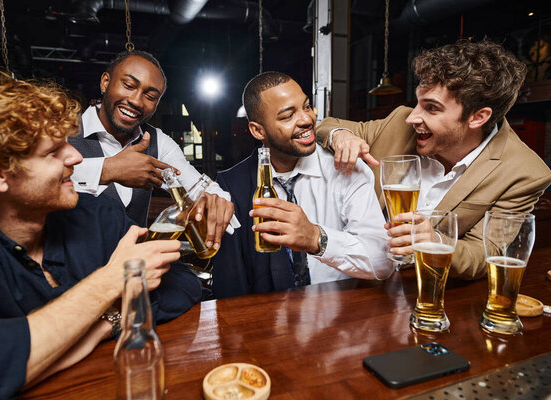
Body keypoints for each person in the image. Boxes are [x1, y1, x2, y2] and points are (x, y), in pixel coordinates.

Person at [0, 69, 202, 398]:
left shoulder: (96, 214)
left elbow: (183, 285)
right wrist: (111, 282)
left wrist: (99, 327)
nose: (76, 157)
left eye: (67, 143)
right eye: (52, 152)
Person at [316, 40, 551, 280]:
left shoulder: (525, 173)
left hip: (422, 286)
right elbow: (325, 125)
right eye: (418, 101)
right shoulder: (399, 122)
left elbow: (483, 254)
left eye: (431, 108)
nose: (412, 117)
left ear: (478, 117)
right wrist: (340, 136)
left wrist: (434, 240)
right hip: (346, 271)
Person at [212, 72, 391, 299]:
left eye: (307, 107)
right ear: (258, 130)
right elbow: (231, 282)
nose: (306, 119)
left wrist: (316, 238)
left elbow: (382, 262)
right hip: (268, 320)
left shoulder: (347, 168)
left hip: (342, 317)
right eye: (288, 116)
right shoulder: (232, 184)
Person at [69, 50, 237, 250]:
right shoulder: (62, 130)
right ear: (105, 82)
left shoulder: (158, 143)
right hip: (70, 271)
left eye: (150, 96)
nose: (136, 101)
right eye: (129, 86)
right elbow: (29, 181)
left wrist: (219, 203)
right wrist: (107, 170)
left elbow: (200, 188)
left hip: (134, 271)